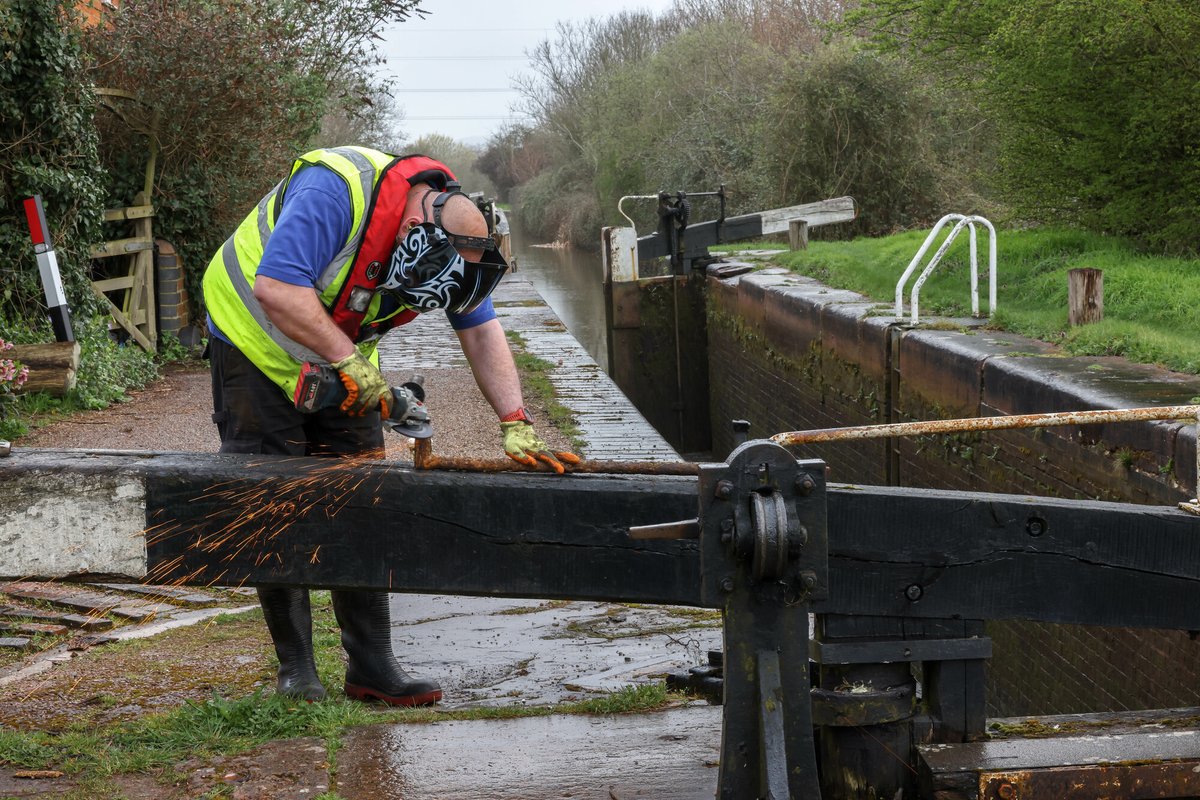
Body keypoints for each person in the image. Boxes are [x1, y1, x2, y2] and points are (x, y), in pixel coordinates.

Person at [201, 145, 580, 706]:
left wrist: (514, 419)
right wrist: (350, 362)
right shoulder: (335, 191)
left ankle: (372, 667)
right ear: (412, 229)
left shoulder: (450, 242)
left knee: (361, 497)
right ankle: (297, 671)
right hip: (254, 339)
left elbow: (479, 329)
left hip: (335, 346)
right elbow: (277, 289)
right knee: (273, 498)